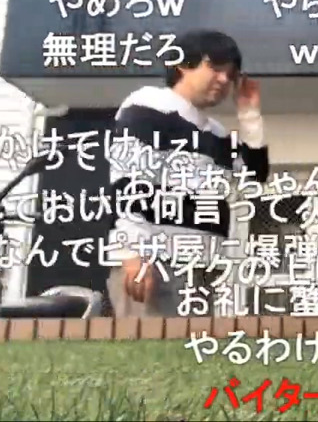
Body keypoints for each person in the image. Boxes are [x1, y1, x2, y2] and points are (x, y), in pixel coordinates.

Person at [105, 30, 269, 317]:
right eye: (215, 67)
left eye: (231, 74)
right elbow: (128, 180)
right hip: (155, 260)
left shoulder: (216, 132)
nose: (224, 80)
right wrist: (132, 253)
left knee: (191, 347)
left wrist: (249, 114)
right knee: (145, 344)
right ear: (183, 63)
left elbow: (256, 174)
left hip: (201, 267)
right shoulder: (149, 104)